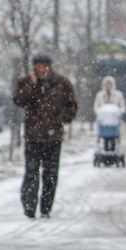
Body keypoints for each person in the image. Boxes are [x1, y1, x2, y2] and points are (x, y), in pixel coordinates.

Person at [13, 54, 78, 219]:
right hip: (33, 136)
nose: (41, 69)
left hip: (53, 137)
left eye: (44, 66)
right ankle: (29, 206)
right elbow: (18, 100)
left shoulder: (61, 83)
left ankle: (46, 207)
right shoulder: (26, 82)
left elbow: (71, 106)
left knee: (50, 174)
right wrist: (32, 85)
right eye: (38, 66)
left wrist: (60, 119)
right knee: (31, 172)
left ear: (50, 67)